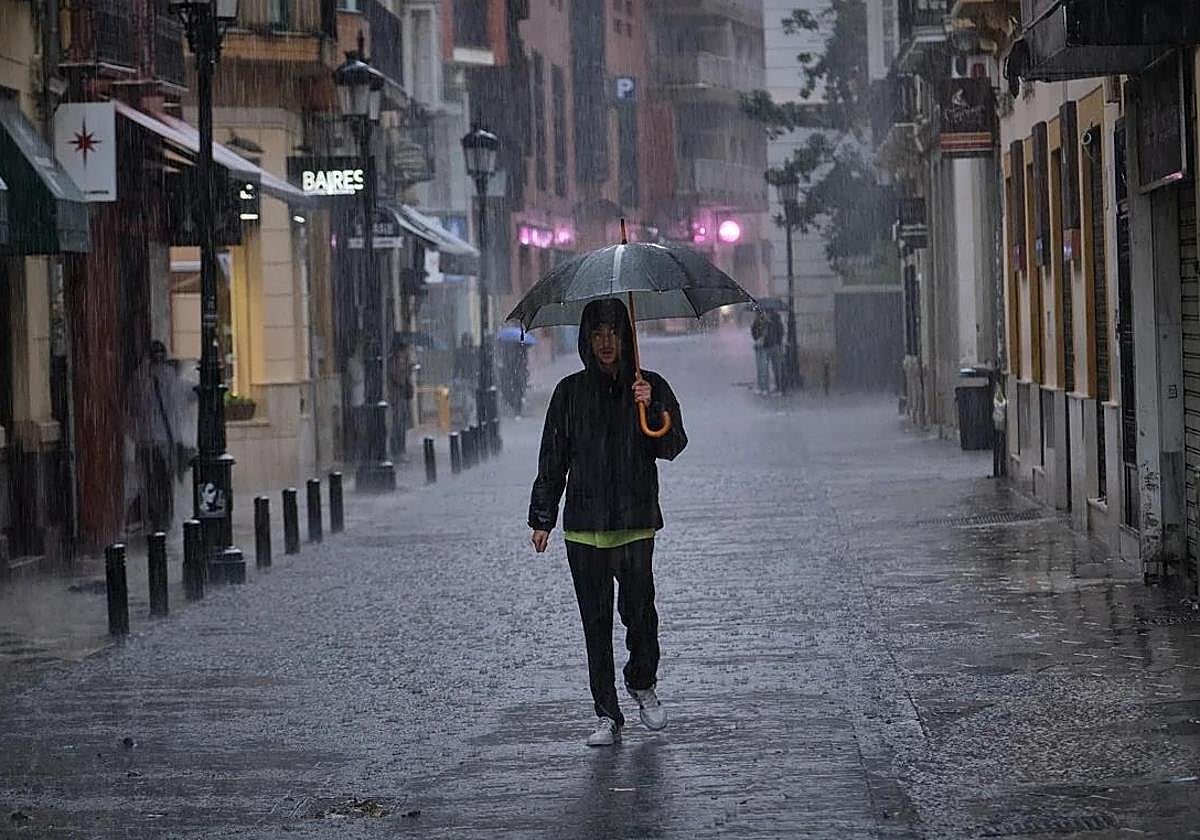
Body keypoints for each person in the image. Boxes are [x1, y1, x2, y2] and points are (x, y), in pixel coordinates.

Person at [528, 298, 688, 747]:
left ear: (627, 337)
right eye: (597, 334)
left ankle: (642, 681)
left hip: (635, 522)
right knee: (595, 623)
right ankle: (606, 712)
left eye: (613, 333)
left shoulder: (649, 385)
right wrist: (543, 516)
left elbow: (673, 444)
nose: (605, 343)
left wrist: (652, 407)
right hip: (584, 528)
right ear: (586, 339)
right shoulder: (569, 393)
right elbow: (552, 459)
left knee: (640, 615)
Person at [125, 340, 184, 533]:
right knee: (164, 483)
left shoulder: (141, 377)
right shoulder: (170, 376)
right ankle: (162, 521)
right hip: (165, 441)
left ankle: (153, 519)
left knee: (149, 483)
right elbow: (181, 400)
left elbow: (132, 406)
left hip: (148, 441)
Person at [388, 336, 414, 460]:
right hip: (397, 395)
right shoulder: (394, 360)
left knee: (401, 422)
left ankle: (399, 449)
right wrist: (405, 372)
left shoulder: (402, 360)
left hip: (401, 395)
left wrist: (409, 368)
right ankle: (397, 450)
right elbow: (397, 377)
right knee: (398, 423)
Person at [750, 311, 771, 394]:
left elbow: (770, 334)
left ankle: (765, 387)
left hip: (765, 347)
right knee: (759, 368)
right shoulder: (756, 323)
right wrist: (757, 338)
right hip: (758, 347)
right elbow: (753, 332)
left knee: (764, 368)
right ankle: (760, 386)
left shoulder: (767, 323)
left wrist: (764, 339)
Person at [765, 310, 785, 393]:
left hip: (774, 346)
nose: (767, 314)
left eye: (768, 313)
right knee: (774, 368)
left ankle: (780, 387)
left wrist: (777, 342)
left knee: (777, 368)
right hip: (772, 346)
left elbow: (780, 333)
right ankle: (777, 386)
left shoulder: (774, 323)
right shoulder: (770, 322)